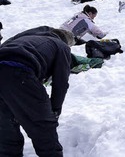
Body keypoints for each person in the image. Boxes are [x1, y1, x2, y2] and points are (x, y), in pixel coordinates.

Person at [0, 26, 75, 157]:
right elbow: (61, 83)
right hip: (19, 72)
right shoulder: (62, 47)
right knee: (43, 126)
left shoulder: (29, 37)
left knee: (5, 123)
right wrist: (54, 110)